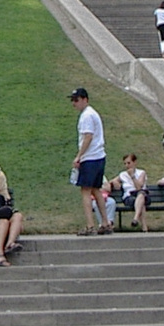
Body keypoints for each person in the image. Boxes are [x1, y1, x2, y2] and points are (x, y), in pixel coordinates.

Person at [69, 88, 110, 236]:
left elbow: (88, 137)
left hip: (90, 157)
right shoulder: (93, 113)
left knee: (85, 190)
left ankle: (90, 225)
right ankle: (105, 222)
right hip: (99, 156)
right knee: (96, 189)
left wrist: (79, 156)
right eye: (73, 100)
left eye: (77, 100)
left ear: (85, 99)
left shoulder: (86, 116)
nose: (74, 103)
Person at [115, 153, 150, 232]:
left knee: (141, 195)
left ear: (135, 162)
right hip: (129, 197)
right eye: (125, 163)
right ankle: (144, 227)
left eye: (129, 163)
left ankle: (135, 218)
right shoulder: (122, 174)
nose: (127, 165)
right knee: (141, 202)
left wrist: (132, 176)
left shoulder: (141, 173)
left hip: (142, 194)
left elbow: (139, 187)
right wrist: (114, 183)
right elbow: (112, 182)